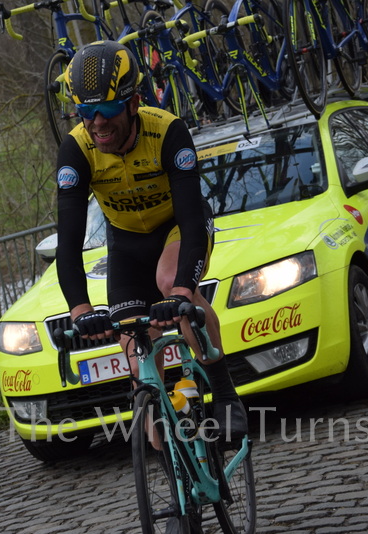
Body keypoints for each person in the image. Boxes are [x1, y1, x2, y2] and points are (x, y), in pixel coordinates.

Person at [54, 40, 247, 441]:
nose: (96, 123)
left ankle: (225, 393)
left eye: (105, 111)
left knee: (169, 287)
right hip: (126, 245)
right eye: (86, 112)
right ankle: (179, 483)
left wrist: (181, 290)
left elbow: (193, 222)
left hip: (178, 229)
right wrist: (80, 311)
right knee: (143, 379)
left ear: (133, 103)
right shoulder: (76, 148)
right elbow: (68, 244)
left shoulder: (168, 132)